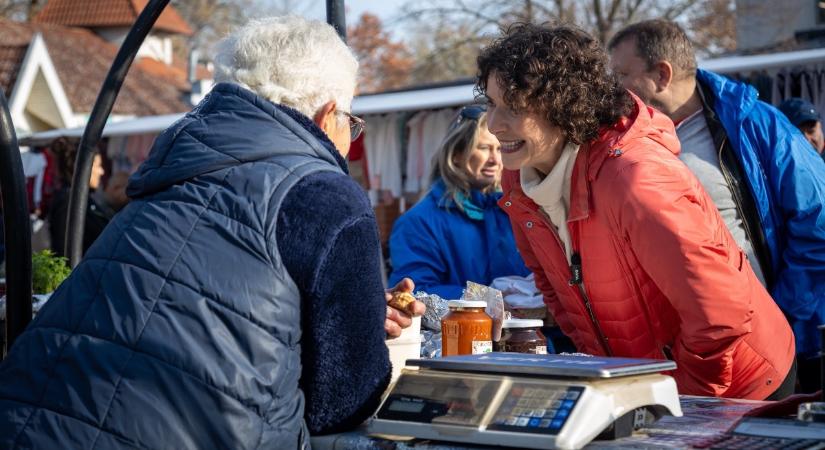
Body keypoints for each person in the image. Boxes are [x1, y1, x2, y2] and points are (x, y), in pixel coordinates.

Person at [0, 16, 424, 449]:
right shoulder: (327, 195)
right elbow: (342, 403)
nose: (347, 141)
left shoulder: (170, 170)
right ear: (328, 114)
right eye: (350, 123)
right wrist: (353, 328)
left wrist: (349, 312)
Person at [478, 22, 795, 400]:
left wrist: (680, 401)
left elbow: (720, 314)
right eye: (491, 104)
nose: (493, 125)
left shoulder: (636, 179)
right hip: (648, 383)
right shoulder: (518, 180)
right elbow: (556, 290)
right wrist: (613, 374)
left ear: (563, 106)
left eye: (514, 108)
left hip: (741, 382)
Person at [608, 19, 825, 394]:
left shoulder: (757, 126)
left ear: (662, 74)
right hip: (682, 355)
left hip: (767, 350)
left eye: (623, 74)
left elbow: (817, 221)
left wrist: (782, 311)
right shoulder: (625, 140)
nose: (614, 88)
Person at [388, 105, 529, 299]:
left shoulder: (516, 212)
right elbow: (415, 292)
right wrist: (486, 299)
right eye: (484, 148)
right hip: (460, 321)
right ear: (456, 155)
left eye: (499, 148)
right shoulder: (419, 222)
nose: (495, 160)